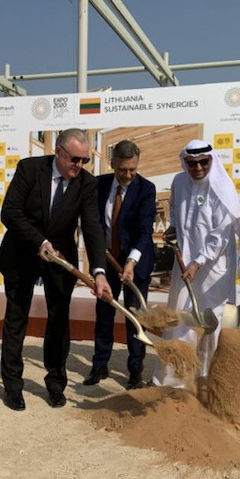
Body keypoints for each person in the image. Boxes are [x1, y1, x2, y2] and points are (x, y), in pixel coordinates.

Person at [0, 128, 112, 411]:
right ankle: (13, 386)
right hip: (22, 251)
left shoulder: (86, 183)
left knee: (59, 321)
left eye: (85, 160)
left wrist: (99, 272)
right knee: (16, 318)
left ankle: (56, 383)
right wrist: (40, 241)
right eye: (75, 159)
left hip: (62, 260)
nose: (79, 165)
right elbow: (10, 212)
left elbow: (92, 228)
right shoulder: (29, 169)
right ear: (58, 152)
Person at [152, 139, 240, 388]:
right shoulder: (179, 182)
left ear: (211, 160)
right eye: (192, 163)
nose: (198, 168)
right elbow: (175, 209)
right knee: (180, 318)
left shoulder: (222, 187)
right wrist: (173, 228)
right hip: (184, 264)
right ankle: (173, 380)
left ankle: (207, 378)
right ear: (185, 162)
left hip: (214, 270)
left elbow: (221, 235)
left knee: (211, 323)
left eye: (203, 162)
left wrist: (198, 262)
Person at [84, 140, 156, 390]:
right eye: (122, 170)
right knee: (104, 315)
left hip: (136, 264)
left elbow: (144, 230)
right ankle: (99, 365)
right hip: (106, 262)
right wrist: (98, 265)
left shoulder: (146, 189)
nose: (127, 175)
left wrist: (131, 261)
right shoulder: (99, 185)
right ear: (112, 163)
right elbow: (92, 225)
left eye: (132, 169)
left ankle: (135, 371)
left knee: (135, 319)